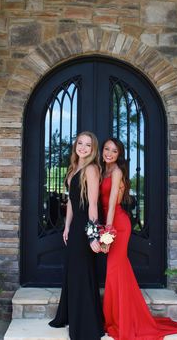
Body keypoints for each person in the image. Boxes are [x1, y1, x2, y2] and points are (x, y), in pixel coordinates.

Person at [100, 137, 177, 340]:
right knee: (119, 272)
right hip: (109, 222)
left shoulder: (116, 172)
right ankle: (118, 318)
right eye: (107, 149)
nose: (109, 153)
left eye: (114, 151)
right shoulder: (103, 170)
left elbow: (113, 204)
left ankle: (122, 321)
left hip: (117, 225)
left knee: (115, 271)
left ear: (119, 154)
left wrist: (107, 234)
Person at [49, 131, 104, 340]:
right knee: (73, 271)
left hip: (86, 227)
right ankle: (70, 315)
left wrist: (93, 235)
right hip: (75, 228)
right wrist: (67, 226)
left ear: (93, 149)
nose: (82, 147)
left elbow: (92, 205)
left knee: (82, 272)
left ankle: (86, 324)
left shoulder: (91, 169)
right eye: (80, 143)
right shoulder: (73, 169)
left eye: (88, 145)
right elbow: (71, 201)